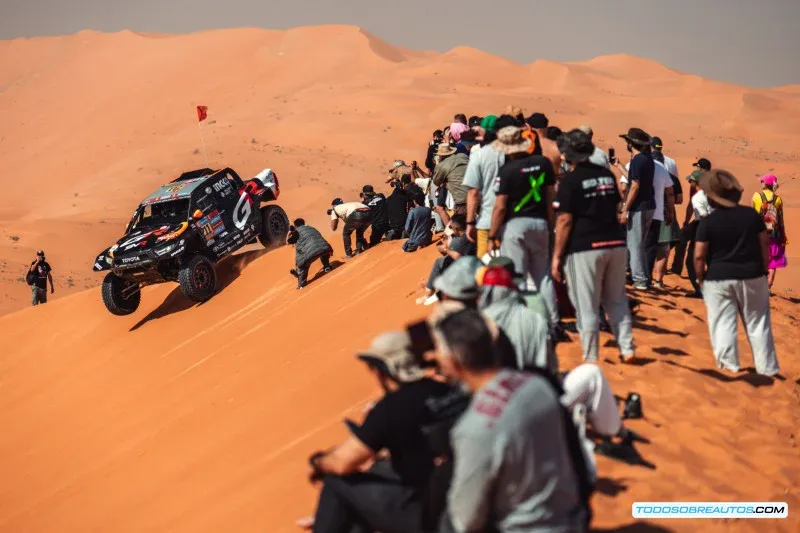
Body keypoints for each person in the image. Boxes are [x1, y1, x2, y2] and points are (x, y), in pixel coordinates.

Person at [430, 308, 590, 533]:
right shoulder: (537, 384)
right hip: (571, 518)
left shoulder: (474, 428)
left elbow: (464, 521)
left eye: (437, 350)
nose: (433, 356)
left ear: (454, 360)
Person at [300, 330, 466, 533]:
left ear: (386, 369)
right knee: (377, 470)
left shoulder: (391, 408)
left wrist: (319, 462)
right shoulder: (447, 391)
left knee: (337, 484)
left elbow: (342, 463)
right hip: (466, 492)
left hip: (429, 512)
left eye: (373, 367)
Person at [552, 130, 636, 364]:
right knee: (616, 299)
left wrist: (557, 256)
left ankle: (590, 356)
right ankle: (627, 348)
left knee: (585, 303)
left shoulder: (570, 181)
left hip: (585, 247)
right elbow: (616, 204)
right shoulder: (607, 175)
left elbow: (565, 220)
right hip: (616, 244)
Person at [694, 169, 780, 377]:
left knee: (723, 323)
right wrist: (763, 270)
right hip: (752, 275)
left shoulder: (708, 222)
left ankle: (729, 367)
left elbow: (699, 256)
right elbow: (764, 245)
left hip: (718, 278)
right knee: (758, 323)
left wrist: (700, 278)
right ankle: (767, 369)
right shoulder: (751, 216)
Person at [488, 125, 564, 340]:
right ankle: (553, 324)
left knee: (517, 277)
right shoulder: (543, 164)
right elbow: (550, 196)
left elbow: (500, 206)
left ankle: (522, 326)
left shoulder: (507, 170)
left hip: (515, 227)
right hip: (540, 223)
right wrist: (549, 223)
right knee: (544, 277)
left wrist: (493, 235)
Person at [476, 262, 556, 374]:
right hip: (533, 382)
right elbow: (550, 364)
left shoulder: (480, 322)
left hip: (497, 386)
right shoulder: (536, 318)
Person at [614, 128, 656, 291]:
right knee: (640, 243)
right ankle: (643, 275)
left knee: (634, 244)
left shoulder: (639, 160)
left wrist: (626, 209)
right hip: (649, 205)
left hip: (639, 207)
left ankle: (639, 280)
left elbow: (634, 186)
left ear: (631, 143)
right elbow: (634, 179)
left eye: (628, 141)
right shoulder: (647, 158)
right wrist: (620, 166)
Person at [463, 115, 506, 259]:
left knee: (485, 268)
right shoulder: (513, 152)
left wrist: (469, 222)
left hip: (488, 220)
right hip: (512, 220)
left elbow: (473, 192)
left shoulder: (478, 154)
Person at [671, 157, 712, 276]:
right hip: (703, 220)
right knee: (683, 238)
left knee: (687, 241)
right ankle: (677, 268)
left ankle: (680, 268)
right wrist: (686, 221)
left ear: (704, 169)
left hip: (705, 221)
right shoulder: (696, 183)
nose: (696, 169)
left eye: (698, 167)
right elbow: (690, 204)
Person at [752, 174, 788, 291]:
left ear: (765, 184)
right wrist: (783, 235)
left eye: (762, 181)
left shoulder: (757, 196)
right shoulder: (778, 199)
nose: (761, 183)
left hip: (759, 233)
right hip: (774, 235)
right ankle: (768, 286)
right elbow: (781, 219)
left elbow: (754, 215)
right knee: (772, 262)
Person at [682, 170, 714, 297]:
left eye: (691, 181)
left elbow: (704, 216)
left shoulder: (697, 197)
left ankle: (700, 290)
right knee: (711, 260)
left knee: (691, 261)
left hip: (703, 229)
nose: (690, 183)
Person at [647, 158, 676, 289]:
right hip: (663, 215)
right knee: (663, 249)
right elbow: (677, 198)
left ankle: (643, 277)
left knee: (645, 246)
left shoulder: (644, 172)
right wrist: (670, 212)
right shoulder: (670, 177)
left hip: (646, 213)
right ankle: (658, 281)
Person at [287, 219, 333, 289]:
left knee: (302, 264)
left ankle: (302, 282)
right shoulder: (311, 228)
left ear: (295, 226)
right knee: (321, 251)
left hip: (310, 254)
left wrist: (289, 233)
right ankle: (327, 266)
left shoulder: (296, 232)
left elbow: (288, 242)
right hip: (325, 248)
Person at [432, 143, 469, 226]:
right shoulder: (463, 156)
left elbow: (436, 182)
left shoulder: (442, 165)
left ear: (440, 155)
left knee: (460, 227)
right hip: (478, 193)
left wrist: (438, 164)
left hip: (462, 200)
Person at [526, 112, 564, 180]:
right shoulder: (556, 147)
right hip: (552, 184)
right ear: (546, 127)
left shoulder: (526, 147)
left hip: (530, 185)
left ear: (530, 128)